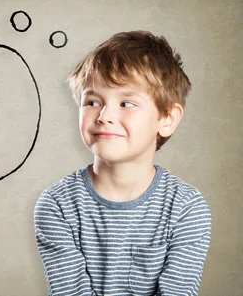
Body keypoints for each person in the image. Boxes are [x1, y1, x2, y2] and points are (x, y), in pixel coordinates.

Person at [33, 31, 212, 295]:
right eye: (93, 102)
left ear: (167, 119)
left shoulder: (187, 209)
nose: (104, 116)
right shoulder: (57, 205)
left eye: (126, 103)